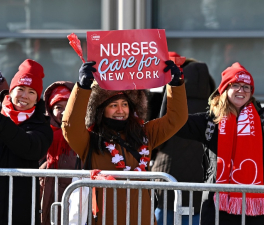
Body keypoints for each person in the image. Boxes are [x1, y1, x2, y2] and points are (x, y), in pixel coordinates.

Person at [62, 60, 188, 225]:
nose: (120, 110)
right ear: (101, 110)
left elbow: (176, 119)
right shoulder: (90, 140)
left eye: (125, 104)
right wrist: (82, 88)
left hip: (142, 220)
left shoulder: (145, 134)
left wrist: (175, 84)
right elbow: (70, 126)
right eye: (113, 105)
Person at [0, 59, 53, 225]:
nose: (24, 96)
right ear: (10, 92)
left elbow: (29, 146)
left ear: (37, 98)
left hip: (17, 213)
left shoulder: (42, 127)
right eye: (20, 89)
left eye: (31, 92)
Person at [176, 62, 264, 225]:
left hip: (254, 207)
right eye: (235, 85)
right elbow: (176, 124)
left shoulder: (261, 121)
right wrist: (175, 87)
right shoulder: (210, 121)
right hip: (216, 204)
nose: (241, 90)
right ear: (224, 89)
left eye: (246, 87)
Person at [152, 56, 216, 225]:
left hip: (167, 172)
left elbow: (161, 128)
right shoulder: (214, 100)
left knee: (164, 215)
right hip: (201, 176)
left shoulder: (174, 92)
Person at [40, 80, 76, 225]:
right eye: (58, 107)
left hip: (75, 197)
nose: (64, 111)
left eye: (69, 106)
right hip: (48, 195)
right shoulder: (43, 132)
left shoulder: (85, 133)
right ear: (50, 110)